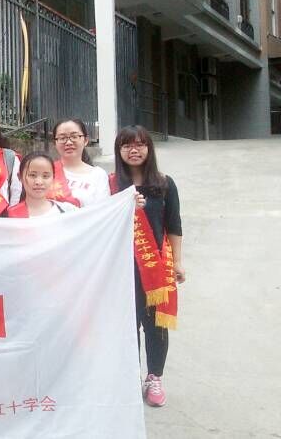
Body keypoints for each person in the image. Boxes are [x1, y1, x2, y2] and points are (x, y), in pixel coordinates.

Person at [112, 125, 184, 408]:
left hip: (156, 266)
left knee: (156, 326)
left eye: (140, 144)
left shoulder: (164, 184)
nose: (134, 150)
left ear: (149, 149)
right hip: (121, 268)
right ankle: (129, 378)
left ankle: (154, 377)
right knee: (127, 325)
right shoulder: (111, 185)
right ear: (119, 150)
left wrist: (178, 262)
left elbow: (174, 225)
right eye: (127, 145)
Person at [51, 119, 110, 207]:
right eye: (62, 138)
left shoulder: (98, 175)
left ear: (85, 140)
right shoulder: (47, 171)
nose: (68, 142)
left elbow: (102, 211)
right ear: (55, 143)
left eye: (74, 136)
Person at [6, 152, 79, 217]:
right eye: (32, 175)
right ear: (20, 177)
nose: (39, 182)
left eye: (45, 176)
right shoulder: (10, 216)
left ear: (53, 178)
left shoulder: (68, 211)